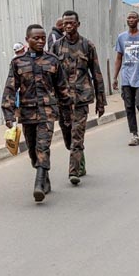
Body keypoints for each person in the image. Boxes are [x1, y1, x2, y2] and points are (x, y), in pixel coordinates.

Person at [2, 24, 72, 202]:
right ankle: (44, 176)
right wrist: (8, 114)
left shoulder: (53, 61)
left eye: (43, 38)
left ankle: (39, 184)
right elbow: (11, 88)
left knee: (43, 147)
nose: (41, 41)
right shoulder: (18, 62)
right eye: (36, 38)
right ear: (27, 40)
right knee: (33, 151)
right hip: (27, 113)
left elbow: (63, 89)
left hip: (47, 112)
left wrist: (66, 114)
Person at [50, 10, 106, 185]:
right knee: (68, 138)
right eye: (65, 23)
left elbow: (96, 73)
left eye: (71, 23)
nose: (68, 26)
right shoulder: (56, 47)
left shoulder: (87, 46)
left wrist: (101, 101)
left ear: (78, 24)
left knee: (77, 136)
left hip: (81, 99)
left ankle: (73, 172)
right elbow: (49, 75)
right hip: (62, 101)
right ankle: (80, 162)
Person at [113, 11, 139, 146]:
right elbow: (119, 57)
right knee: (129, 106)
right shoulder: (121, 37)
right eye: (129, 17)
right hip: (126, 77)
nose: (130, 19)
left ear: (138, 20)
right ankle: (134, 134)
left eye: (133, 18)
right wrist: (114, 77)